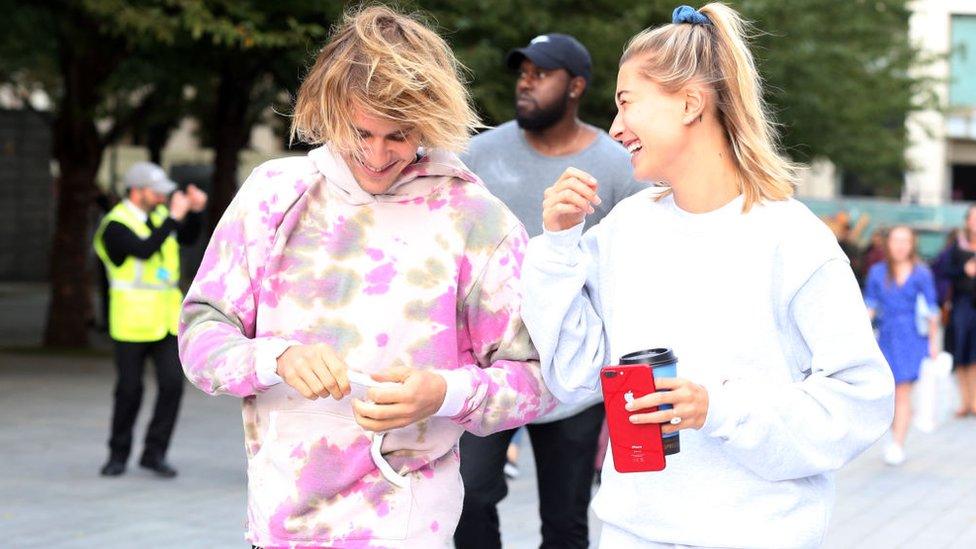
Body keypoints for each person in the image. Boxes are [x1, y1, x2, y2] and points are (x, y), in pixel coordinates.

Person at [177, 6, 555, 547]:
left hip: (408, 526)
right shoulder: (273, 195)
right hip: (282, 522)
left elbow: (538, 380)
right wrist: (275, 357)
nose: (377, 157)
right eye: (361, 133)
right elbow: (200, 337)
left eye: (398, 137)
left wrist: (443, 393)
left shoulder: (476, 219)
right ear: (329, 112)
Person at [520, 4, 894, 547]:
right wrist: (556, 246)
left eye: (627, 104)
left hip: (759, 534)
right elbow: (572, 373)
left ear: (690, 102)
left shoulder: (793, 240)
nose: (615, 128)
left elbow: (861, 398)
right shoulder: (625, 229)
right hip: (633, 531)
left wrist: (717, 408)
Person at [455, 33, 644, 549]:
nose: (527, 82)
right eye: (523, 72)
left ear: (576, 86)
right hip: (488, 368)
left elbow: (637, 266)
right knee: (468, 497)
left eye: (543, 73)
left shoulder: (619, 165)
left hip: (573, 377)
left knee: (566, 519)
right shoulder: (477, 153)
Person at [93, 161, 207, 478]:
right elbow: (144, 250)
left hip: (165, 321)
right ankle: (118, 454)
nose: (160, 197)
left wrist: (194, 212)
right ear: (136, 190)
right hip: (131, 323)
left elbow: (187, 238)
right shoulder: (114, 225)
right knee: (129, 390)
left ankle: (154, 454)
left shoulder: (159, 217)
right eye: (155, 192)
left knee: (172, 386)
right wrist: (173, 218)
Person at [864, 226, 939, 465]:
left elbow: (932, 311)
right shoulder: (877, 272)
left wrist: (934, 344)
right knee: (888, 393)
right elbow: (870, 305)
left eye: (905, 241)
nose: (900, 245)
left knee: (903, 391)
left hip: (912, 337)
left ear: (912, 244)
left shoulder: (921, 273)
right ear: (888, 243)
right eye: (896, 240)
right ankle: (895, 430)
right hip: (885, 336)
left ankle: (897, 443)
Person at [947, 206, 976, 417]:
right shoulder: (957, 246)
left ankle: (974, 400)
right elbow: (943, 270)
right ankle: (964, 401)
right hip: (962, 306)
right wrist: (963, 271)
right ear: (967, 221)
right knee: (961, 354)